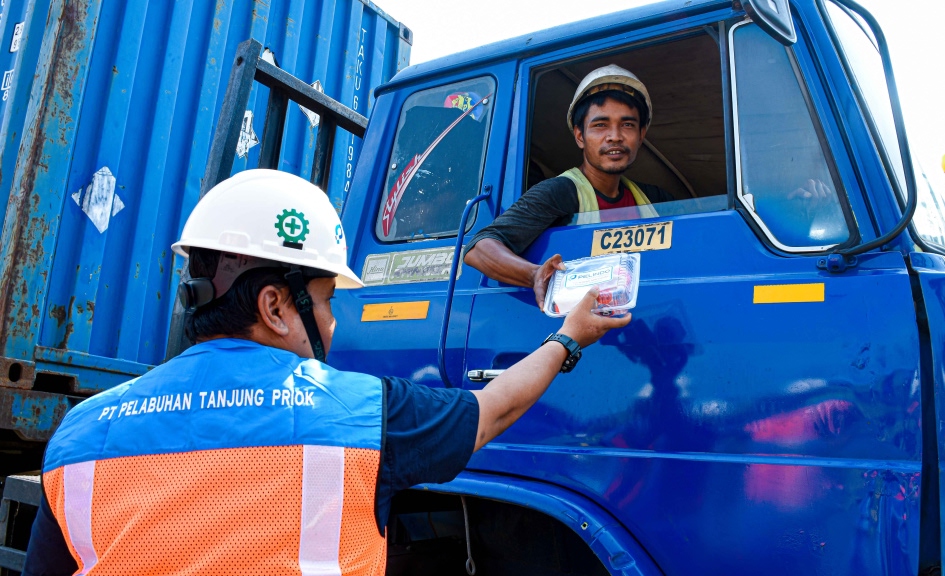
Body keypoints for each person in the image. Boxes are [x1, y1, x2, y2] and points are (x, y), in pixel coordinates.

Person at [23, 169, 629, 575]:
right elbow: (492, 409)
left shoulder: (79, 435)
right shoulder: (361, 414)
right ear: (274, 306)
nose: (336, 324)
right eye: (327, 300)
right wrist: (570, 336)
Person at [464, 64, 674, 308]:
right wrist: (534, 275)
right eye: (600, 125)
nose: (615, 136)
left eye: (627, 125)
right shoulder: (561, 192)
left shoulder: (656, 198)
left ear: (641, 135)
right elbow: (479, 247)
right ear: (579, 136)